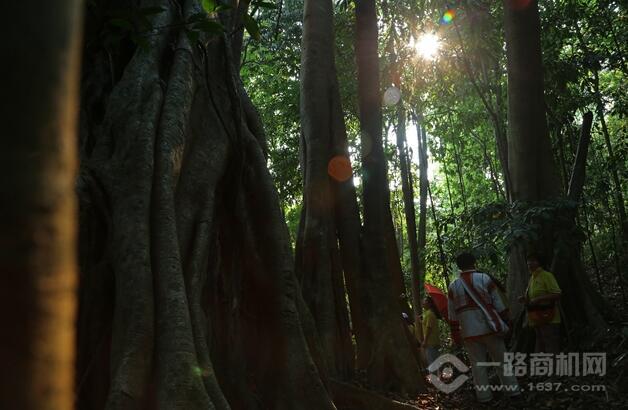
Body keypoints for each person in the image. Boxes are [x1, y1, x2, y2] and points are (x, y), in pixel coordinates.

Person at [448, 252, 520, 403]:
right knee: (502, 361)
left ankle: (484, 397)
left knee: (477, 365)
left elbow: (452, 315)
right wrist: (507, 321)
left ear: (459, 266)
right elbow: (499, 304)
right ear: (474, 262)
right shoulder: (484, 278)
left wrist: (456, 334)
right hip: (490, 328)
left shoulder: (453, 286)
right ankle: (513, 392)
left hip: (469, 332)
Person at [518, 253, 562, 353]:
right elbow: (532, 297)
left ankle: (554, 367)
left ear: (539, 262)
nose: (530, 263)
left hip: (549, 317)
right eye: (528, 261)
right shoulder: (532, 278)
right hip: (536, 318)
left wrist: (539, 299)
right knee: (541, 344)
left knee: (551, 344)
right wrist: (524, 298)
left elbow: (557, 294)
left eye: (533, 260)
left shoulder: (546, 275)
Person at [422, 296, 441, 371]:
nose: (423, 303)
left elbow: (429, 328)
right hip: (434, 342)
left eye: (425, 301)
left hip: (430, 343)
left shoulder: (429, 314)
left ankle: (434, 380)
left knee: (432, 363)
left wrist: (425, 341)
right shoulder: (429, 314)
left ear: (430, 304)